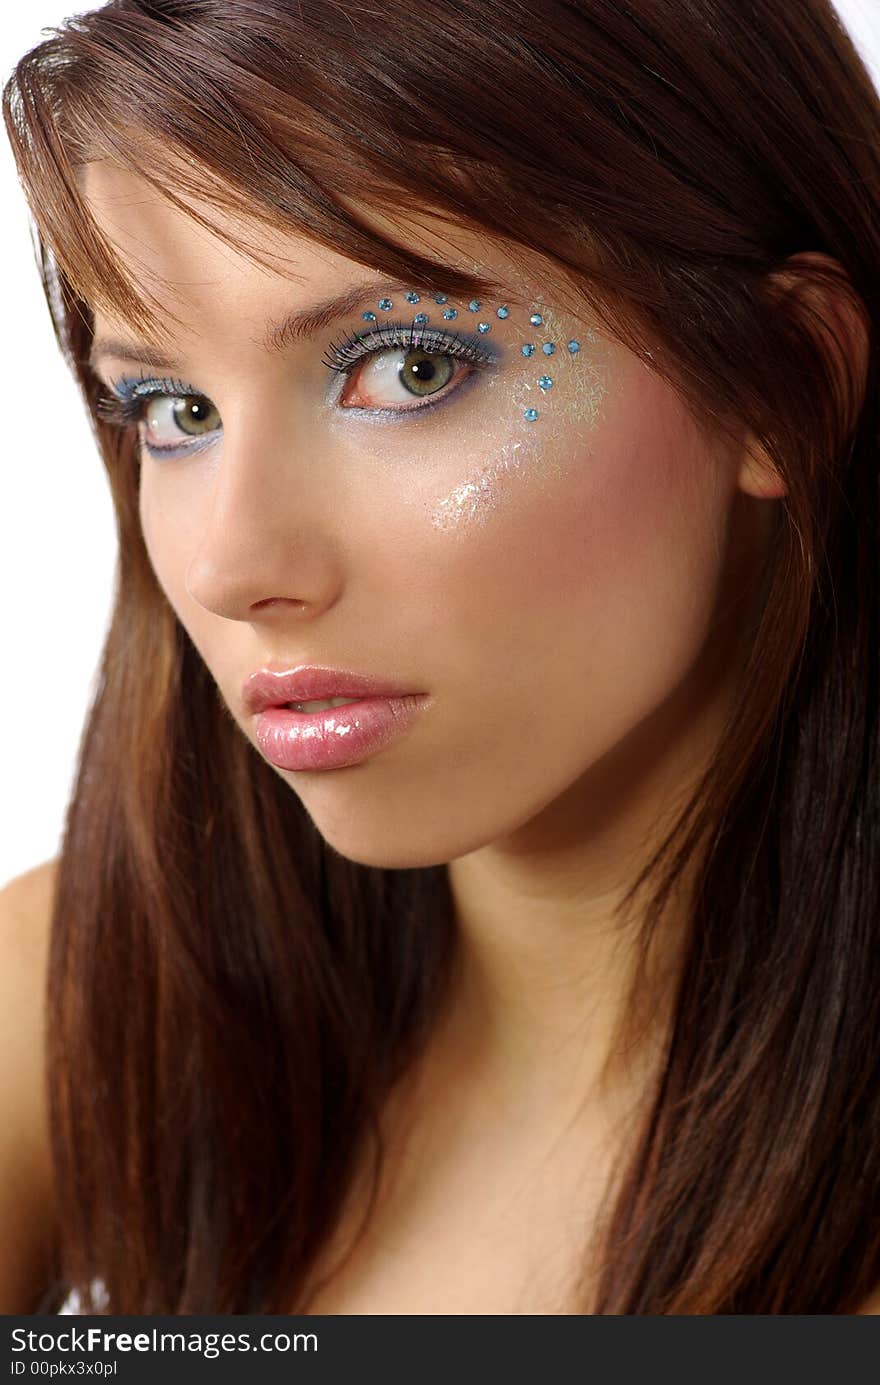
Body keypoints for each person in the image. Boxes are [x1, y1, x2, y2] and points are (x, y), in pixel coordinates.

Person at [0, 0, 878, 1315]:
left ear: (785, 384)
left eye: (410, 368)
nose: (238, 568)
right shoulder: (88, 977)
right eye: (173, 410)